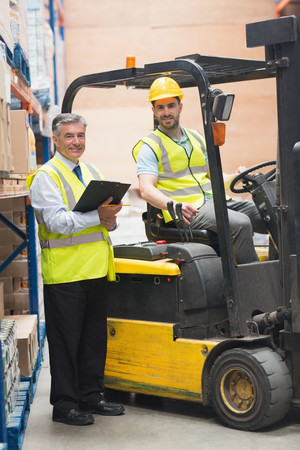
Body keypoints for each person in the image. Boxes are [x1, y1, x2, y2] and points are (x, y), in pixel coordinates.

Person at [26, 113, 125, 426]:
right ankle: (65, 404)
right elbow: (56, 222)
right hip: (65, 274)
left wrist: (110, 218)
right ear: (55, 140)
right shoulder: (46, 176)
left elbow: (103, 218)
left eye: (80, 135)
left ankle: (92, 396)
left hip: (95, 269)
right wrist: (99, 217)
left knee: (93, 340)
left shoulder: (92, 171)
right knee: (66, 343)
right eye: (69, 136)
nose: (76, 142)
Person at [132, 77, 267, 264]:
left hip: (217, 201)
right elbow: (146, 190)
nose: (166, 112)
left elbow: (214, 177)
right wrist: (174, 205)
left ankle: (283, 279)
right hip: (188, 211)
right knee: (241, 223)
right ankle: (255, 289)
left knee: (273, 213)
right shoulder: (150, 146)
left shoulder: (195, 137)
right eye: (160, 107)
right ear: (153, 110)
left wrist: (237, 177)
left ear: (180, 107)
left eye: (171, 105)